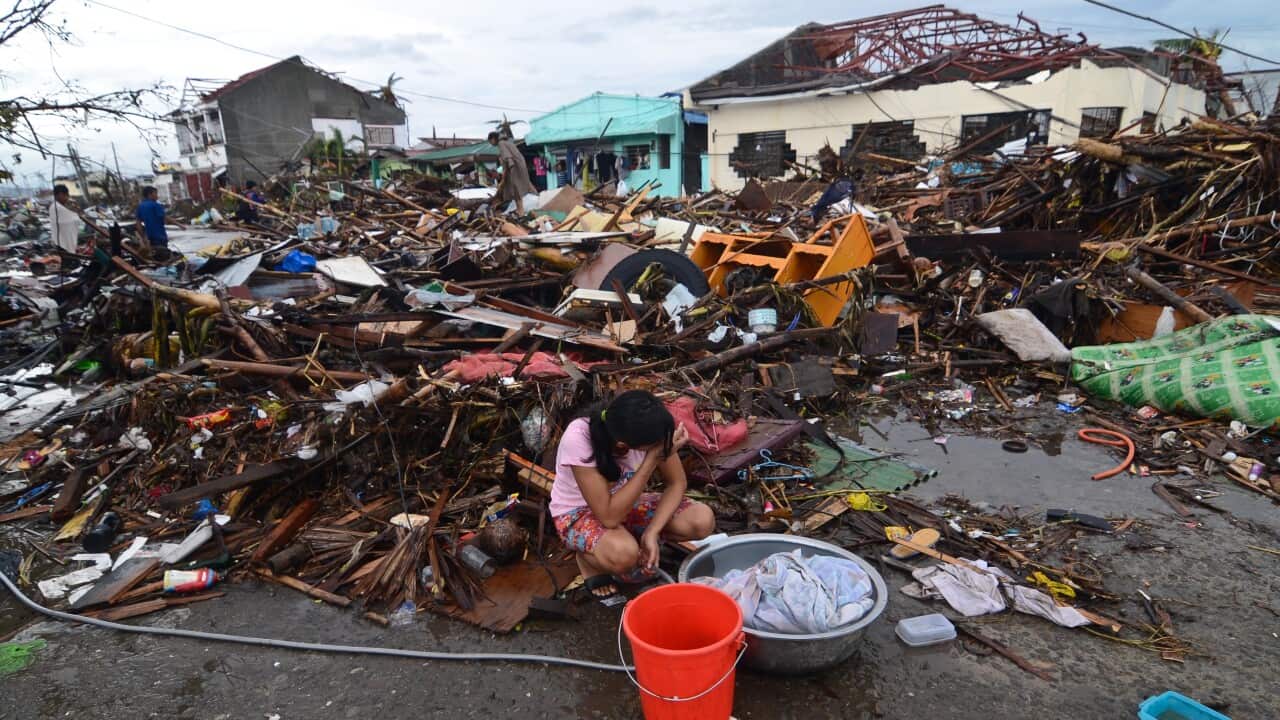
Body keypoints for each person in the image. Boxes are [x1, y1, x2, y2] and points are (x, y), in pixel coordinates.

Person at [551, 390, 716, 599]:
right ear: (623, 446)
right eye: (653, 447)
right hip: (580, 513)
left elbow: (676, 483)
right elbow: (609, 518)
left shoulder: (650, 427)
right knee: (625, 557)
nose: (660, 447)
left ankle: (633, 539)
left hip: (627, 502)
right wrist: (651, 461)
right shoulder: (579, 438)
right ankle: (589, 561)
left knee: (701, 520)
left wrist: (652, 532)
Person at [488, 131, 535, 215]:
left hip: (514, 168)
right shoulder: (508, 142)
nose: (491, 144)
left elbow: (508, 160)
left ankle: (520, 211)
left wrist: (505, 176)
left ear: (493, 139)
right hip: (519, 167)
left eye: (490, 141)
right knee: (520, 188)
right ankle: (521, 209)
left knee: (516, 190)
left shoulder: (501, 144)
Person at [135, 186, 169, 255]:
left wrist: (143, 236)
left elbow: (138, 223)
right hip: (160, 236)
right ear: (149, 194)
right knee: (163, 255)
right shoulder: (156, 205)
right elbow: (165, 218)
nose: (157, 196)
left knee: (154, 254)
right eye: (155, 193)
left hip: (149, 236)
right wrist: (179, 224)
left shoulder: (140, 206)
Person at [48, 184, 82, 253]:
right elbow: (76, 219)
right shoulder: (57, 207)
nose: (67, 198)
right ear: (60, 195)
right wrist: (76, 211)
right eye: (66, 195)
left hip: (61, 241)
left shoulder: (56, 206)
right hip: (63, 242)